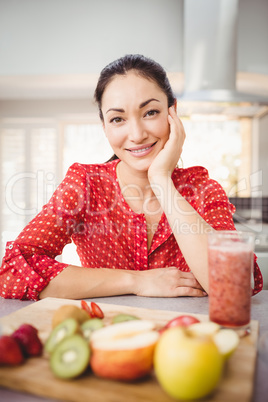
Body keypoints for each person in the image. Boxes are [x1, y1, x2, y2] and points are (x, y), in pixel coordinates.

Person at [0, 54, 263, 301]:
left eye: (150, 112)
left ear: (173, 112)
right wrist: (136, 281)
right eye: (117, 119)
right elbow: (13, 271)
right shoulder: (85, 184)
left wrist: (160, 179)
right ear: (104, 126)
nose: (136, 134)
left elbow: (236, 286)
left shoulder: (203, 189)